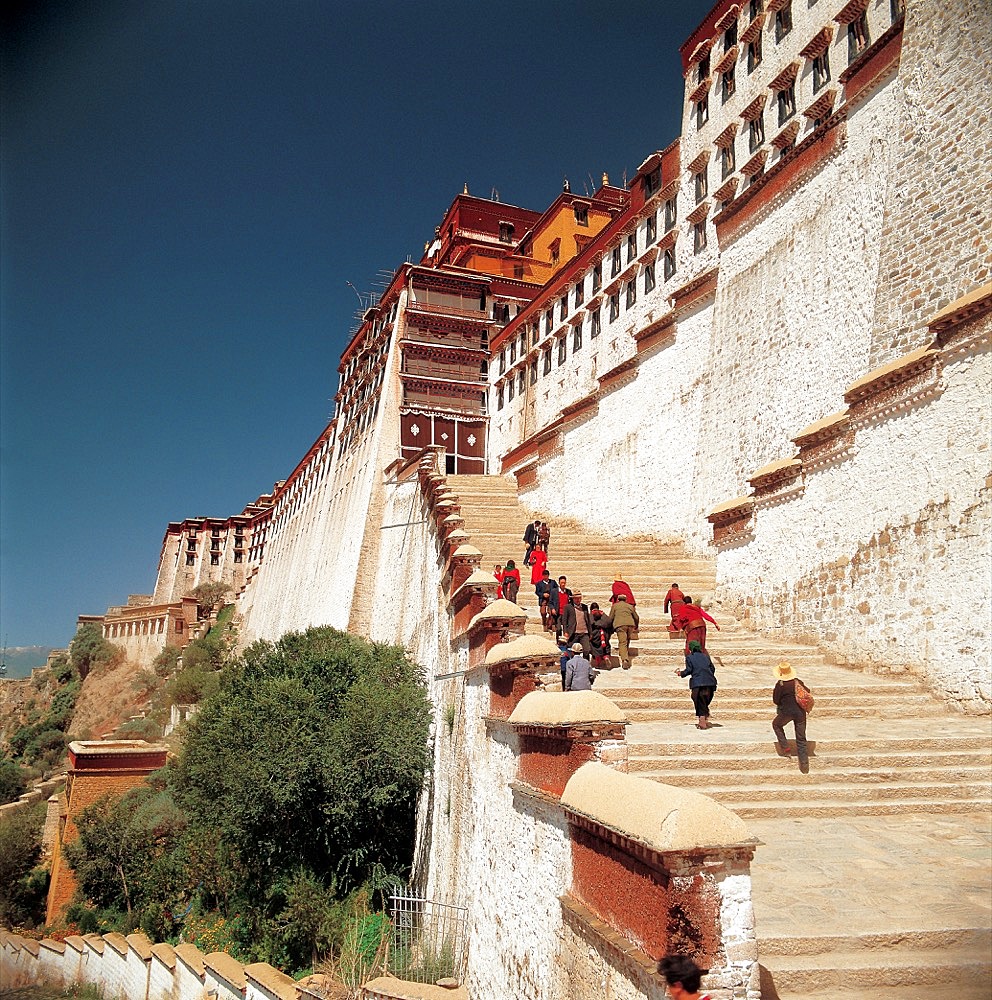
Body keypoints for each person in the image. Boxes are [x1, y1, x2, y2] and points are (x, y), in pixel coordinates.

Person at [772, 661, 810, 774]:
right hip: (800, 713)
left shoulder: (780, 685)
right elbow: (807, 692)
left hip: (786, 712)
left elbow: (776, 700)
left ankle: (785, 747)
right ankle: (804, 766)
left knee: (776, 725)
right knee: (801, 738)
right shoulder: (798, 682)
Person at [675, 640, 717, 729]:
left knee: (698, 700)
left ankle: (702, 722)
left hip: (698, 683)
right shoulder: (706, 656)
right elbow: (712, 668)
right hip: (710, 683)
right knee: (704, 701)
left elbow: (689, 670)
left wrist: (680, 673)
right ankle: (705, 716)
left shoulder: (690, 657)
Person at [607, 593, 639, 670]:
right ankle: (625, 654)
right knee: (627, 640)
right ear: (626, 600)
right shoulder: (630, 606)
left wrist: (609, 626)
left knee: (622, 642)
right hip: (630, 624)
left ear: (618, 599)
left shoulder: (615, 606)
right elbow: (636, 617)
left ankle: (625, 659)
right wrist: (636, 625)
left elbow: (611, 617)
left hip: (620, 625)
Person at [561, 590, 592, 655]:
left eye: (579, 598)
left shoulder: (584, 607)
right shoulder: (568, 607)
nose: (578, 600)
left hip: (584, 632)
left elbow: (588, 620)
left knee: (587, 650)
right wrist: (565, 631)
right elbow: (564, 620)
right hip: (573, 633)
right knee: (571, 650)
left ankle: (586, 664)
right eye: (576, 598)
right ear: (573, 599)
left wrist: (590, 632)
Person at [588, 602, 612, 669]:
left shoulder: (591, 615)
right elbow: (609, 622)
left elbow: (590, 623)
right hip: (604, 634)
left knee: (596, 649)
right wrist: (603, 614)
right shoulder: (602, 614)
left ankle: (598, 664)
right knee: (605, 647)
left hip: (595, 634)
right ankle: (606, 657)